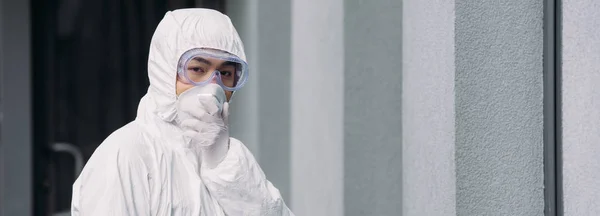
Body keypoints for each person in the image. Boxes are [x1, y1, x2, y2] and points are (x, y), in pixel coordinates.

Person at [71, 8, 294, 216]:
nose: (213, 86)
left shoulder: (232, 157)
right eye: (197, 69)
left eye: (225, 73)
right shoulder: (127, 154)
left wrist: (224, 167)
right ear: (165, 70)